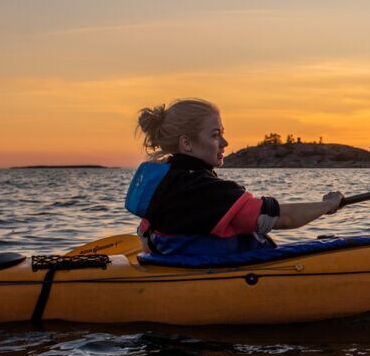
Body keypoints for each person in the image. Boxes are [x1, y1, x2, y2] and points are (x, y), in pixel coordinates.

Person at [127, 98, 344, 255]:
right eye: (215, 135)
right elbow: (281, 218)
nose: (224, 143)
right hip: (218, 277)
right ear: (186, 143)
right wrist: (327, 205)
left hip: (179, 268)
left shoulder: (164, 184)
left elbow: (145, 237)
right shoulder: (207, 191)